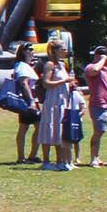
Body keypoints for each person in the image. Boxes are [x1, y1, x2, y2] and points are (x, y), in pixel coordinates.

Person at [37, 40, 74, 171]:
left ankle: (59, 161)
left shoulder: (62, 65)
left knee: (60, 131)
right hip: (52, 101)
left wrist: (70, 84)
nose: (65, 51)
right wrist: (64, 81)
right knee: (48, 129)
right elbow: (46, 83)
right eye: (63, 49)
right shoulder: (50, 65)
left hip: (62, 102)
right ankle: (46, 161)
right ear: (56, 51)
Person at [83, 46, 107, 168]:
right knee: (98, 132)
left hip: (106, 104)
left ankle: (97, 157)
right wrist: (103, 59)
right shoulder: (90, 67)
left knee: (101, 131)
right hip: (97, 104)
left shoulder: (104, 69)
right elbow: (94, 70)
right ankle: (93, 158)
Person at [13, 43, 40, 164]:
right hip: (28, 101)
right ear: (24, 52)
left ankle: (29, 156)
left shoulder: (25, 66)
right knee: (33, 127)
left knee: (26, 128)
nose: (33, 51)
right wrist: (31, 101)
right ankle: (25, 157)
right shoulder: (22, 66)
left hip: (31, 100)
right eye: (30, 49)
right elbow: (24, 83)